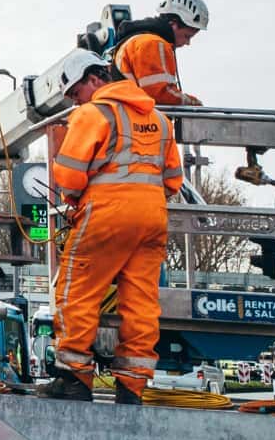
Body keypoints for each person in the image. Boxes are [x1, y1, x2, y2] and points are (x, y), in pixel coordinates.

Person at [44, 59, 183, 402]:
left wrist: (73, 199)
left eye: (76, 92)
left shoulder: (93, 115)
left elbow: (70, 176)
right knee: (141, 302)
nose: (76, 101)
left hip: (106, 214)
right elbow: (173, 180)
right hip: (152, 217)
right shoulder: (159, 120)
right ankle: (132, 385)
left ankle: (74, 377)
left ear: (94, 79)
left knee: (76, 291)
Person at [113, 0, 207, 108]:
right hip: (136, 120)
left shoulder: (139, 40)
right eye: (187, 36)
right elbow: (159, 95)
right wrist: (193, 103)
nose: (187, 43)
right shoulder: (152, 43)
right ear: (174, 24)